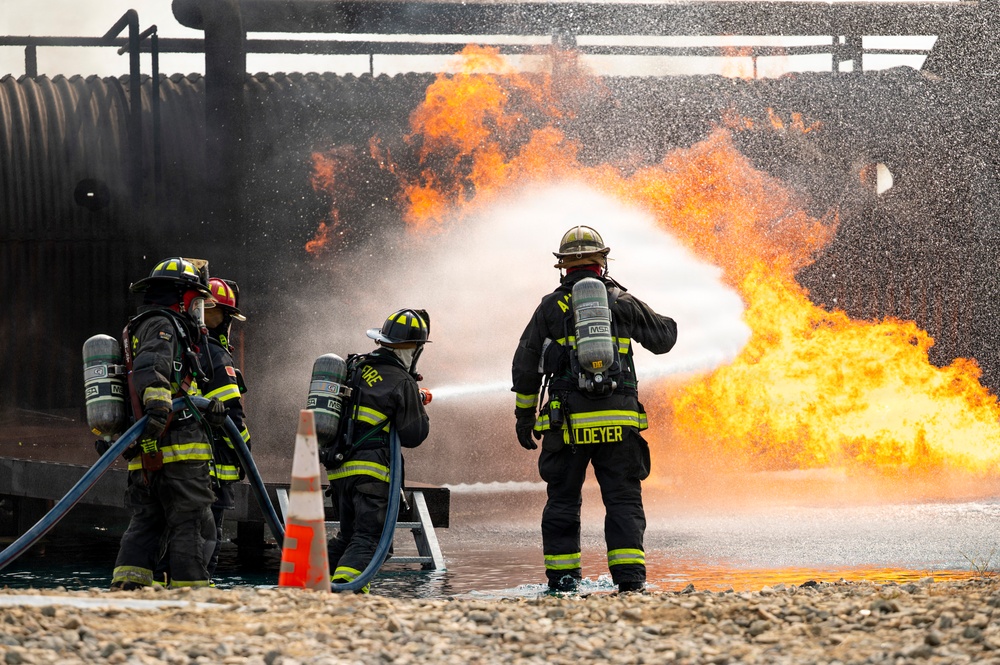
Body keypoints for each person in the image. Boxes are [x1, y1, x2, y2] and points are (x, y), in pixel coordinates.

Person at [511, 226, 677, 594]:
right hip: (619, 423)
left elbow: (525, 368)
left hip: (566, 423)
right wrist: (632, 304)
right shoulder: (621, 302)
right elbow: (665, 339)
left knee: (563, 501)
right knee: (622, 500)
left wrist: (524, 417)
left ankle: (563, 581)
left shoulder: (550, 307)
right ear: (602, 262)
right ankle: (630, 581)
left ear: (563, 267)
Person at [111, 257, 227, 590]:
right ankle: (190, 598)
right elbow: (152, 368)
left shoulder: (145, 323)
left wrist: (210, 409)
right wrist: (160, 410)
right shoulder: (164, 323)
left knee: (148, 522)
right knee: (190, 523)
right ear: (182, 296)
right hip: (177, 449)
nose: (199, 309)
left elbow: (180, 387)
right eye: (197, 301)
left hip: (149, 448)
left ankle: (127, 592)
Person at [319, 308, 431, 592]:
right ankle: (347, 591)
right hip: (372, 474)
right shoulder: (400, 380)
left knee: (348, 537)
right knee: (372, 540)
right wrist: (415, 402)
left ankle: (309, 582)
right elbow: (414, 434)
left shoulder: (356, 366)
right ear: (412, 349)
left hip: (340, 470)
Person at [198, 277, 250, 580]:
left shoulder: (185, 348)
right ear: (211, 312)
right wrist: (246, 453)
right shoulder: (216, 356)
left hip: (180, 470)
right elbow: (232, 417)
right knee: (207, 541)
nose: (229, 323)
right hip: (212, 470)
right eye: (227, 316)